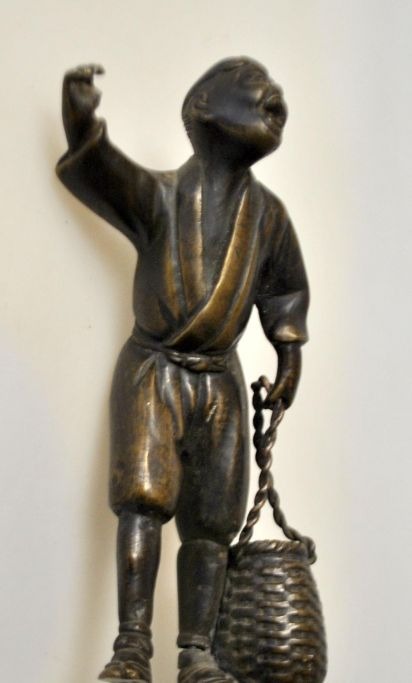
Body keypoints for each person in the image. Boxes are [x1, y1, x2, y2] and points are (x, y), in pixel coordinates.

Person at [56, 57, 309, 683]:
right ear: (204, 110)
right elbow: (105, 172)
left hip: (222, 381)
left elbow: (284, 292)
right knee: (141, 502)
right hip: (154, 371)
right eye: (252, 88)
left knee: (213, 524)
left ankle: (196, 652)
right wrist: (81, 122)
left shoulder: (268, 217)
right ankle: (131, 648)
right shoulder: (162, 197)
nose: (271, 96)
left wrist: (288, 355)